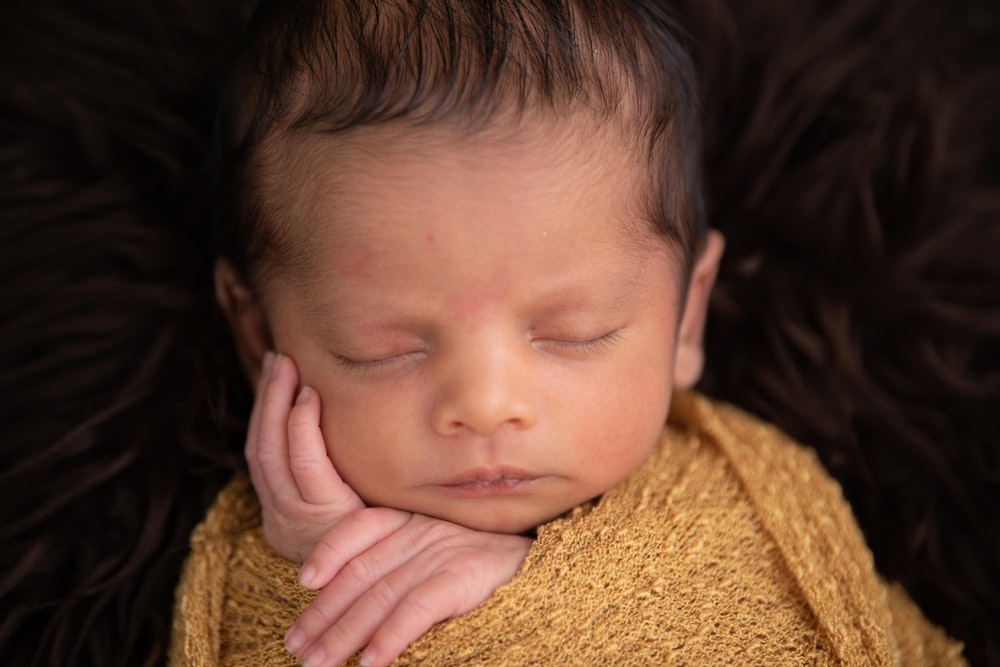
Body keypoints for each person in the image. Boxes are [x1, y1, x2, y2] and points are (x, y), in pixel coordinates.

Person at [169, 1, 966, 665]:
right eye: (383, 348)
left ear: (686, 317)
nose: (486, 405)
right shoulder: (248, 544)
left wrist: (531, 593)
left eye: (574, 332)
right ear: (257, 334)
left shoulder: (747, 500)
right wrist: (321, 564)